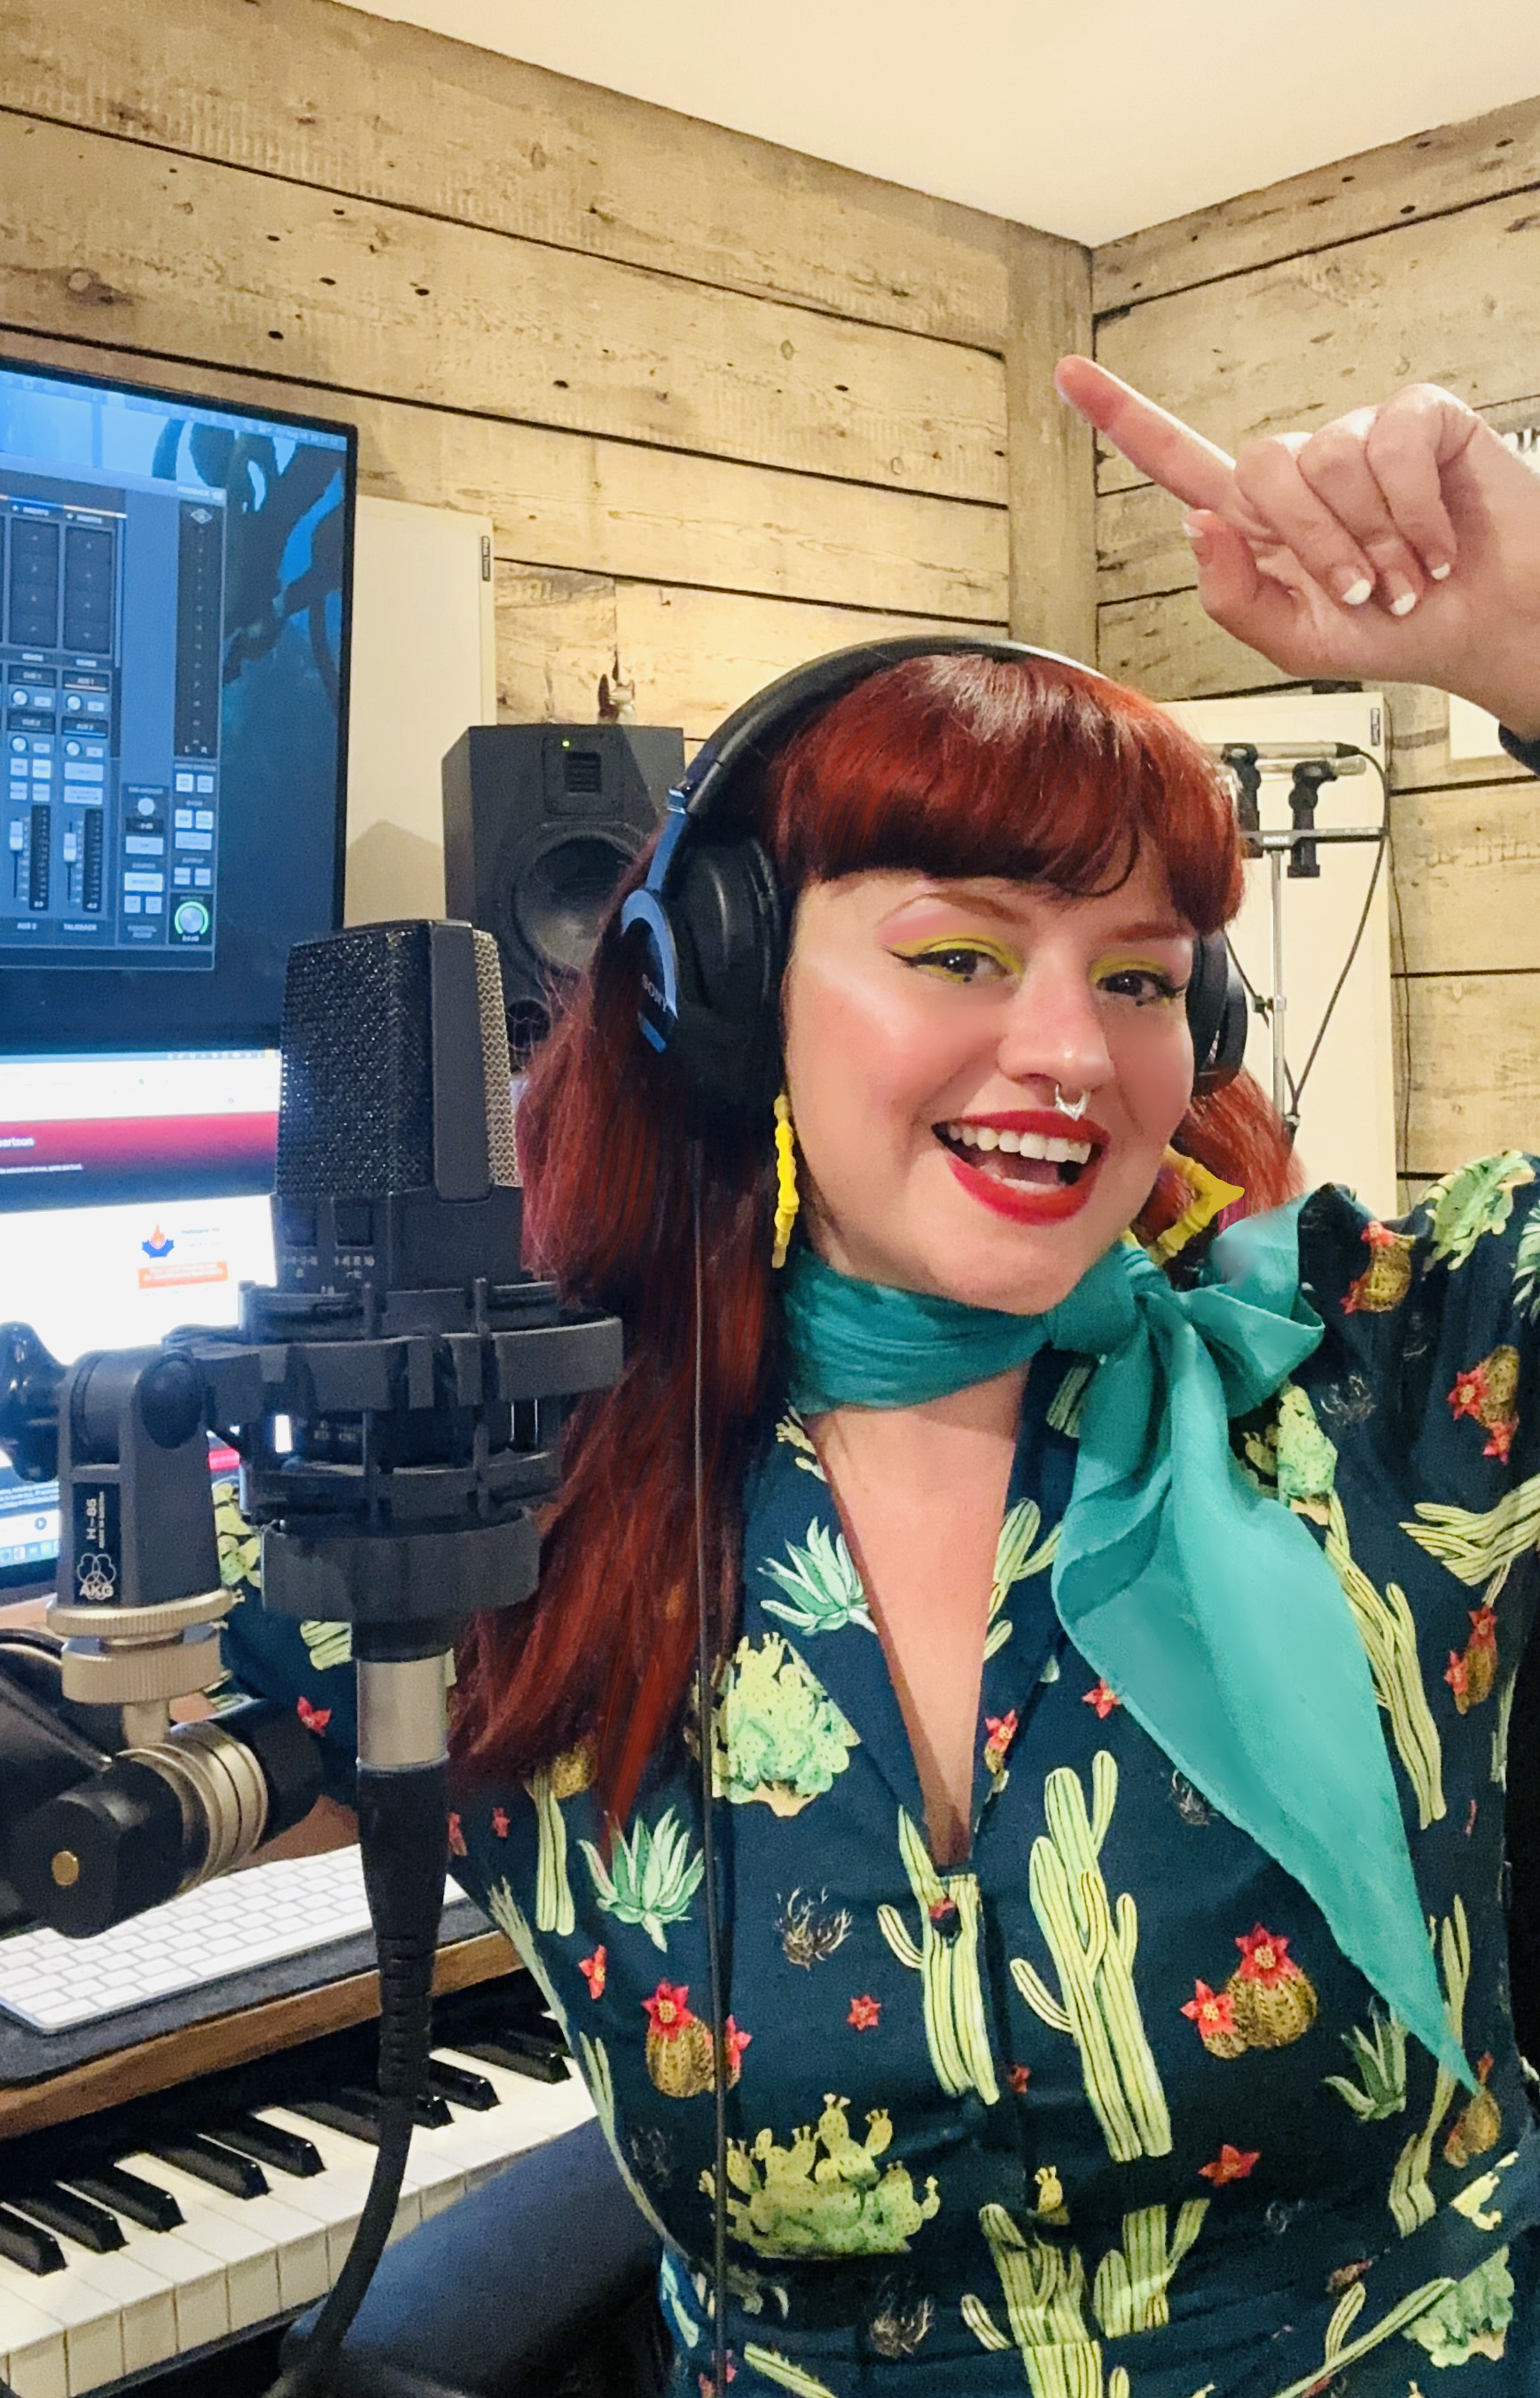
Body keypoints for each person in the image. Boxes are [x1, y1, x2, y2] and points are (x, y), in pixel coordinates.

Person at [223, 366, 1540, 2396]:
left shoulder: (1395, 1363)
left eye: (1137, 974)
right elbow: (159, 1758)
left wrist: (1525, 634)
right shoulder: (498, 1482)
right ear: (727, 989)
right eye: (958, 952)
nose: (1072, 1052)